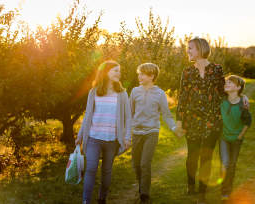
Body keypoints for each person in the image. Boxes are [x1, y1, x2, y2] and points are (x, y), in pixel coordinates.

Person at [176, 37, 248, 204]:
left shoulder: (216, 70)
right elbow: (183, 98)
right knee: (192, 156)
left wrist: (242, 96)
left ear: (200, 50)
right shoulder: (187, 72)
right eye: (188, 48)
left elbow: (225, 91)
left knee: (206, 157)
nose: (188, 51)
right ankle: (191, 185)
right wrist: (179, 121)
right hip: (192, 121)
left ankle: (202, 194)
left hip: (212, 121)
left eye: (190, 48)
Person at [75, 60, 132, 204]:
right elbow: (87, 115)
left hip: (112, 140)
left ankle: (102, 198)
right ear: (106, 72)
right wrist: (80, 135)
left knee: (107, 171)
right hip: (94, 137)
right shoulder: (94, 92)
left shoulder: (122, 94)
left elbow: (128, 117)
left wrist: (127, 137)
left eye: (119, 71)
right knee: (91, 169)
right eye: (115, 70)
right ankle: (86, 201)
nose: (119, 73)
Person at [130, 63, 178, 204]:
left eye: (142, 74)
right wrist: (125, 131)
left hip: (151, 132)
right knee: (136, 164)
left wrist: (174, 128)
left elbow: (166, 114)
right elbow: (129, 113)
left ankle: (144, 195)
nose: (139, 76)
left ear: (151, 76)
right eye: (139, 73)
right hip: (136, 132)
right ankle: (141, 187)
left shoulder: (160, 93)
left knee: (145, 163)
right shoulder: (134, 91)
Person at [219, 75, 252, 202]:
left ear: (238, 87)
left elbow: (248, 122)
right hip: (223, 138)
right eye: (226, 82)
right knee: (225, 163)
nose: (226, 83)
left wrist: (240, 136)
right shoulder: (222, 100)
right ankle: (225, 192)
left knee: (232, 165)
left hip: (236, 139)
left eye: (230, 82)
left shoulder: (242, 104)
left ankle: (228, 189)